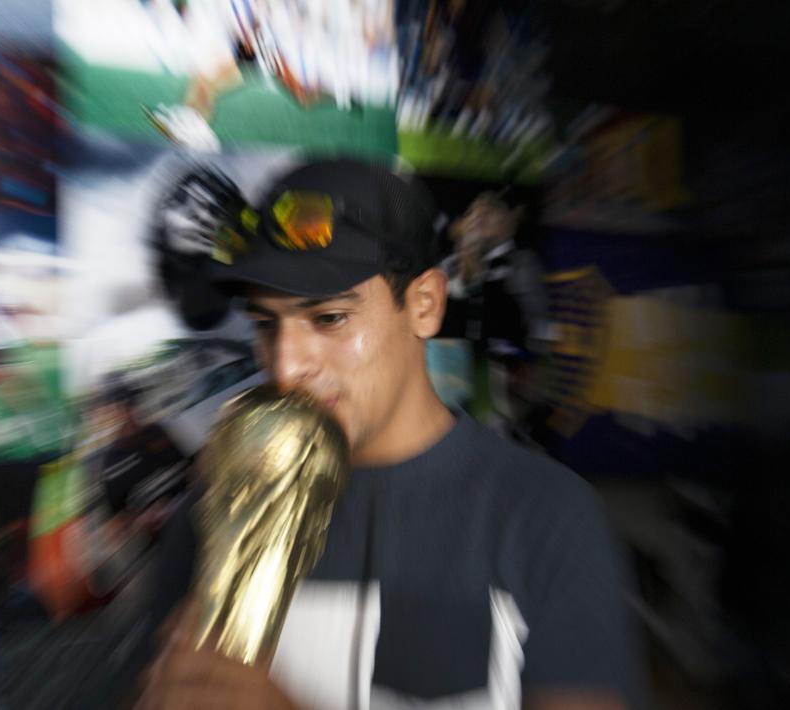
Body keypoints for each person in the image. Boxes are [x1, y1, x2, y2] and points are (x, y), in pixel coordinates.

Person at [137, 159, 642, 709]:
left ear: (424, 304)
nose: (286, 366)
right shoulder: (214, 513)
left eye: (329, 318)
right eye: (266, 324)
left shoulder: (545, 516)